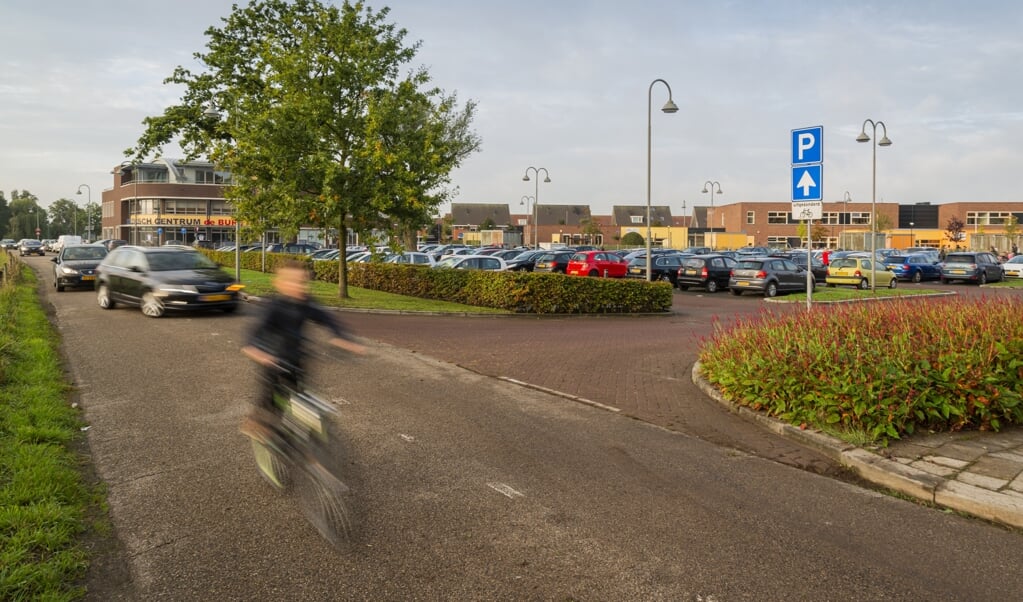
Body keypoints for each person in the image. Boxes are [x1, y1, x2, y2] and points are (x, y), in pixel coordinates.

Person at [240, 260, 365, 441]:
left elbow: (327, 319)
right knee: (271, 399)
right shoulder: (273, 306)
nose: (298, 286)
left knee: (303, 398)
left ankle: (307, 446)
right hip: (273, 360)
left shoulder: (307, 303)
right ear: (279, 283)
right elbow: (256, 331)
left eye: (301, 282)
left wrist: (342, 337)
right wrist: (255, 350)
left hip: (297, 360)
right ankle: (255, 422)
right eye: (291, 281)